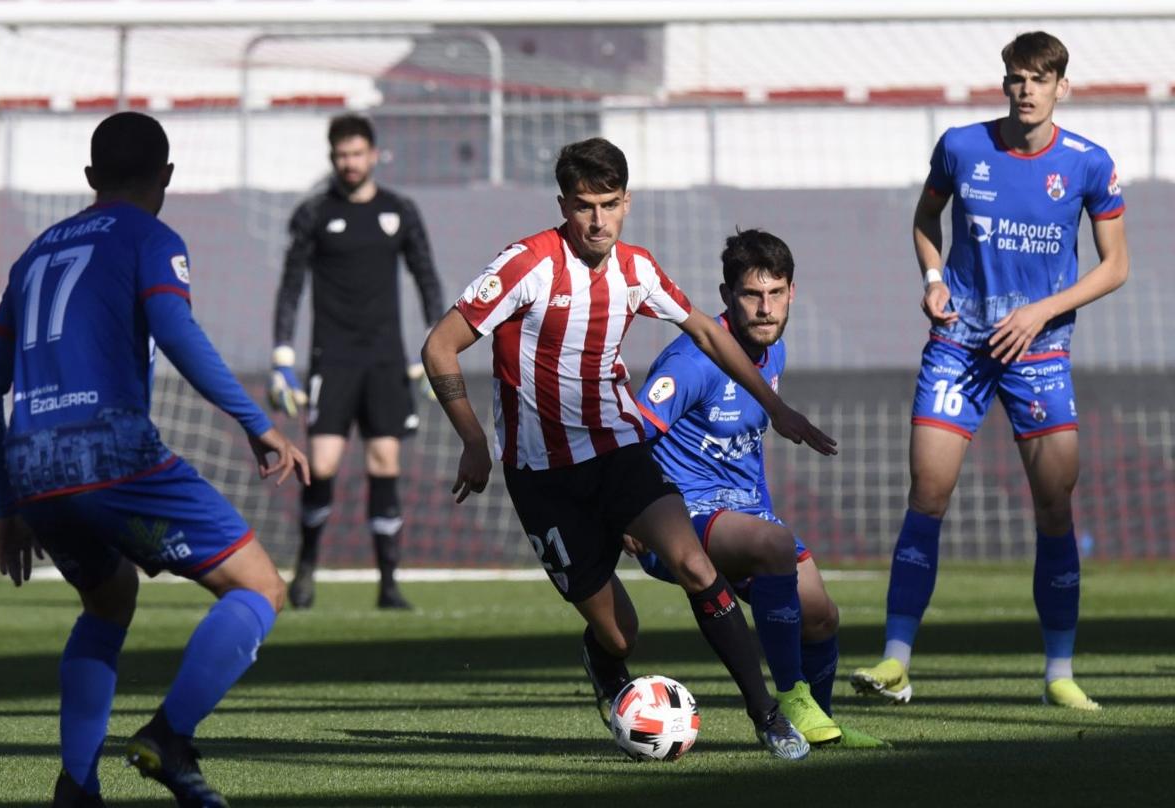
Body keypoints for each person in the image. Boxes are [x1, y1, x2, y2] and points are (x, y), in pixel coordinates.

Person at [421, 137, 837, 761]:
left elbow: (703, 328)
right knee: (621, 632)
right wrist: (474, 441)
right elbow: (439, 346)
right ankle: (602, 659)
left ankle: (767, 715)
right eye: (584, 206)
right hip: (543, 477)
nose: (597, 220)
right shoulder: (527, 265)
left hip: (618, 451)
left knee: (697, 566)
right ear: (564, 204)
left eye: (609, 204)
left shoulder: (636, 269)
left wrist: (775, 407)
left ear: (627, 202)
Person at [0, 111, 309, 808]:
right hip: (114, 453)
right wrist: (256, 423)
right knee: (260, 588)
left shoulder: (35, 254)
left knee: (109, 599)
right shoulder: (152, 237)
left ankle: (77, 785)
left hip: (34, 466)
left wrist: (7, 503)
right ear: (167, 177)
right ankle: (170, 738)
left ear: (89, 179)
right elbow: (175, 329)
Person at [850, 31, 1128, 711]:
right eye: (1016, 78)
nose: (1026, 89)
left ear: (1063, 87)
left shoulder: (1091, 164)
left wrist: (1042, 312)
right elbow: (925, 217)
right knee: (928, 490)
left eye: (1040, 78)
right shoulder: (961, 146)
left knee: (1055, 504)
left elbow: (1115, 266)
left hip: (1038, 352)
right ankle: (895, 662)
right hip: (960, 345)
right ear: (1004, 83)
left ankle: (1059, 671)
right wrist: (934, 276)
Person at [626, 228, 883, 748]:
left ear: (792, 293)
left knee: (821, 614)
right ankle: (787, 701)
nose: (765, 308)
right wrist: (628, 517)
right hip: (680, 521)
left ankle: (820, 726)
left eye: (776, 293)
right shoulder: (692, 363)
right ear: (727, 297)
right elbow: (627, 436)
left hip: (745, 512)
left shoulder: (775, 352)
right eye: (751, 294)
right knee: (774, 546)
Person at [268, 114, 444, 610]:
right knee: (321, 463)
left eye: (357, 153)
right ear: (332, 158)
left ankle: (388, 583)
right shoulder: (313, 214)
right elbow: (291, 286)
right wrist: (283, 353)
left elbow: (426, 278)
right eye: (341, 155)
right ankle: (304, 572)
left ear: (373, 155)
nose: (350, 163)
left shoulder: (400, 212)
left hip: (386, 359)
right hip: (333, 358)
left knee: (384, 462)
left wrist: (438, 342)